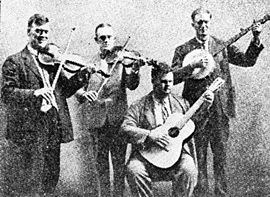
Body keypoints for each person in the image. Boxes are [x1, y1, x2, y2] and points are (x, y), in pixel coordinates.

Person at [171, 7, 264, 197]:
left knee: (220, 157)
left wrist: (255, 38)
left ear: (210, 23)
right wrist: (193, 66)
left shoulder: (222, 45)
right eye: (199, 23)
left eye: (206, 22)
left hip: (220, 112)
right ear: (193, 25)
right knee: (200, 157)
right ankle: (201, 194)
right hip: (196, 112)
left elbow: (247, 60)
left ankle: (221, 194)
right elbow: (172, 77)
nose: (203, 27)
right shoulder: (183, 50)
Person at [1, 14, 90, 196]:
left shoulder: (52, 61)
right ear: (29, 31)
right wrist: (35, 93)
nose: (42, 35)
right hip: (29, 129)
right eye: (38, 31)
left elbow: (66, 89)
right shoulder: (15, 61)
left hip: (53, 127)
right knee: (30, 179)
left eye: (46, 32)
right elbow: (6, 93)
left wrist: (84, 74)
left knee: (51, 177)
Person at [121, 62, 214, 197]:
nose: (168, 85)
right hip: (147, 156)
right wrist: (149, 134)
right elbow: (125, 128)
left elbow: (194, 127)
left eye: (170, 81)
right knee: (134, 170)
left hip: (176, 156)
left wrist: (206, 106)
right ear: (153, 81)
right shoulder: (139, 105)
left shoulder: (181, 103)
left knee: (189, 169)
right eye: (163, 81)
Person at [75, 23, 143, 197]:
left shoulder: (122, 62)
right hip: (97, 121)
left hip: (118, 120)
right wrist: (84, 94)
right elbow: (77, 89)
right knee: (101, 167)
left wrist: (134, 69)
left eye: (109, 37)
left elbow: (132, 85)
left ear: (114, 38)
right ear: (96, 40)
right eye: (102, 38)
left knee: (119, 166)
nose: (106, 41)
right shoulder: (89, 63)